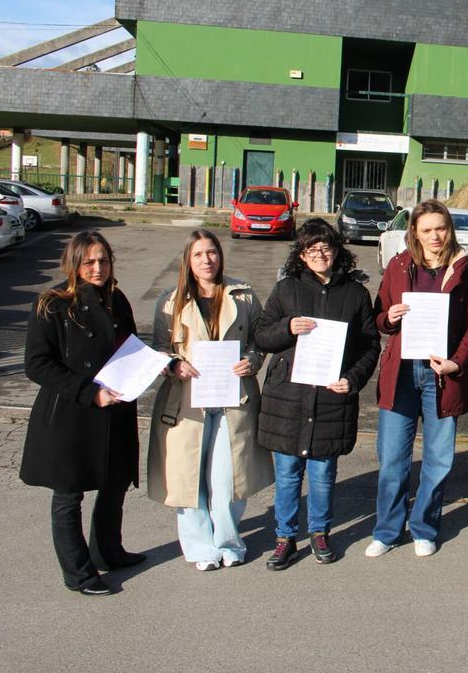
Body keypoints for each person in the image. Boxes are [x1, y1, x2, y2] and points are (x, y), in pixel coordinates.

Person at [20, 231, 148, 596]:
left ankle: (109, 550)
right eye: (89, 262)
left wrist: (155, 365)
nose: (98, 268)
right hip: (72, 412)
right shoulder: (52, 303)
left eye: (104, 261)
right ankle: (78, 572)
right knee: (68, 495)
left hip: (115, 409)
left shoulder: (117, 299)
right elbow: (37, 364)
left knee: (115, 484)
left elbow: (130, 348)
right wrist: (90, 392)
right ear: (74, 262)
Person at [254, 218, 380, 570]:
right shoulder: (286, 289)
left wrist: (352, 379)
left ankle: (320, 532)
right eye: (311, 249)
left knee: (324, 473)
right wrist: (287, 328)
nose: (319, 254)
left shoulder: (356, 294)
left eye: (326, 247)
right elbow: (262, 336)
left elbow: (370, 345)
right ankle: (284, 538)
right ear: (301, 254)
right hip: (288, 400)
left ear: (337, 250)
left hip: (331, 398)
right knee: (289, 473)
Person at [147, 229, 274, 571]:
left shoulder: (244, 295)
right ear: (188, 261)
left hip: (233, 400)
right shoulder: (169, 301)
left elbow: (259, 340)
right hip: (187, 403)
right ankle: (201, 548)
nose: (207, 260)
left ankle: (229, 542)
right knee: (188, 481)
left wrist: (253, 359)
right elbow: (159, 348)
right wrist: (173, 364)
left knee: (228, 479)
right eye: (199, 254)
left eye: (212, 252)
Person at [369, 199, 468, 558]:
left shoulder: (464, 269)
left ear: (449, 229)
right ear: (414, 233)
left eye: (441, 228)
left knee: (438, 460)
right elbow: (379, 318)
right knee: (392, 459)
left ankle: (424, 527)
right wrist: (390, 316)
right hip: (401, 373)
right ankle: (387, 531)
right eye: (427, 230)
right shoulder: (399, 265)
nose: (435, 236)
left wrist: (456, 362)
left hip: (442, 376)